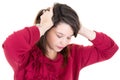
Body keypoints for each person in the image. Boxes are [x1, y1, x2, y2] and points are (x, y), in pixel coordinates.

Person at [2, 3, 119, 80]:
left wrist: (82, 29)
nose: (64, 42)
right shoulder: (26, 57)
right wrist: (42, 26)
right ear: (47, 30)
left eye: (69, 37)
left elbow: (109, 50)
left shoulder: (74, 54)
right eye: (59, 35)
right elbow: (10, 45)